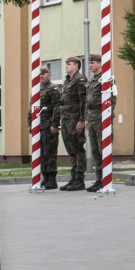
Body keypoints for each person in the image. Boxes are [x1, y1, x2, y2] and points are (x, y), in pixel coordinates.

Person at [85, 52, 117, 193]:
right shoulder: (92, 80)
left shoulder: (106, 78)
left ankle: (105, 179)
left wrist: (106, 116)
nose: (90, 65)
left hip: (101, 117)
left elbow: (113, 99)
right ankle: (99, 179)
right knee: (95, 151)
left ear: (99, 63)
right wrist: (86, 117)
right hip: (92, 118)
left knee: (104, 149)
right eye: (90, 63)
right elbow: (87, 101)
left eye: (93, 63)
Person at [27, 65, 61, 189]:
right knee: (40, 153)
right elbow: (31, 108)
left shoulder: (53, 89)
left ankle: (52, 179)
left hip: (48, 126)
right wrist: (30, 124)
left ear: (49, 75)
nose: (41, 76)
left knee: (49, 153)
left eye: (44, 74)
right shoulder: (36, 90)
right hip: (38, 127)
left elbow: (57, 108)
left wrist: (55, 124)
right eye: (39, 74)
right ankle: (45, 177)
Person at [58, 56, 87, 191]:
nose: (66, 66)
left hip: (75, 120)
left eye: (69, 64)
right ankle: (73, 178)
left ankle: (80, 179)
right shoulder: (68, 80)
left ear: (76, 66)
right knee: (70, 150)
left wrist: (81, 120)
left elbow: (83, 101)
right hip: (66, 120)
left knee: (77, 149)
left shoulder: (80, 80)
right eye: (66, 64)